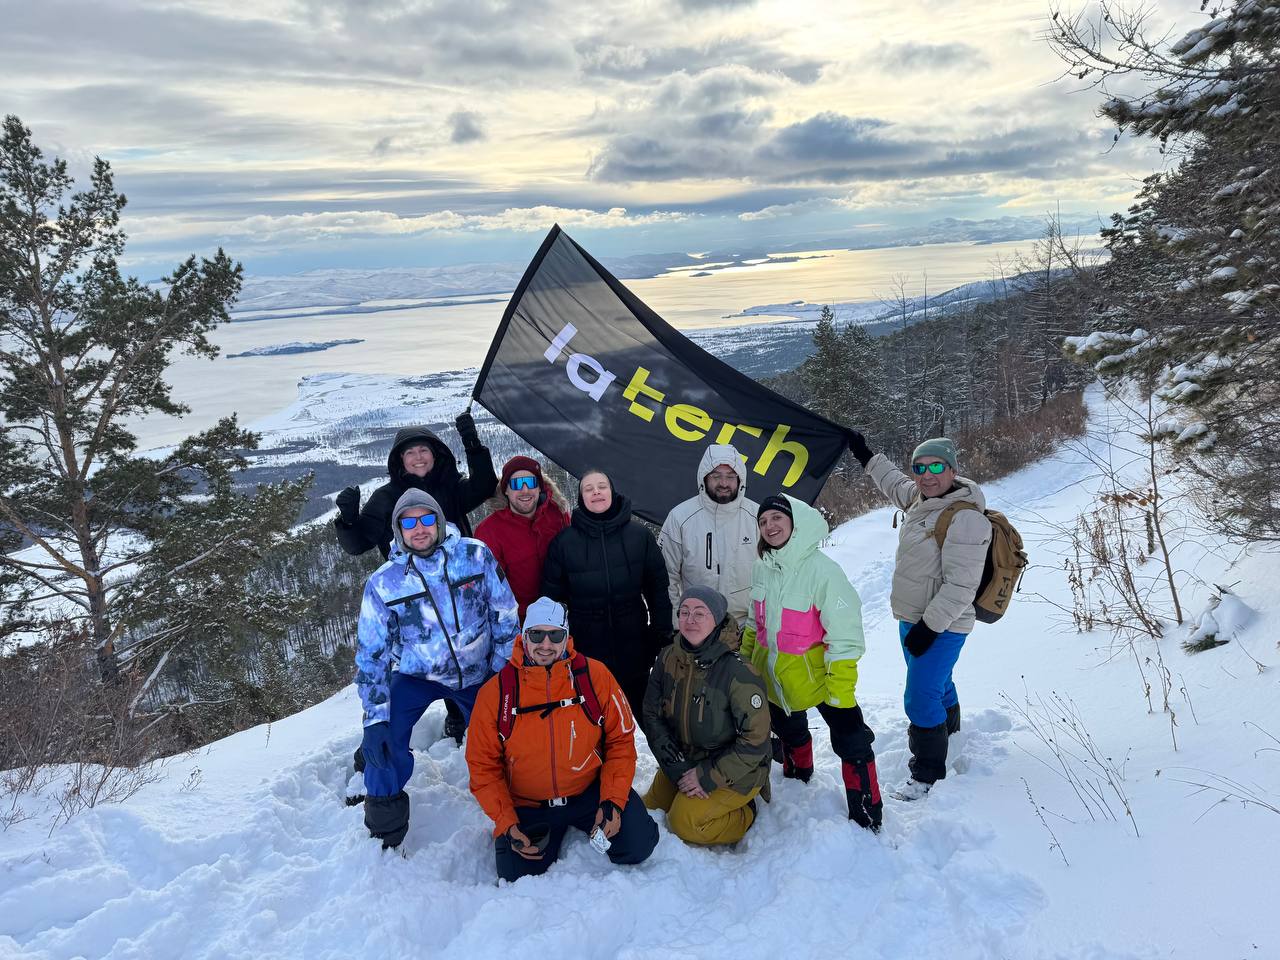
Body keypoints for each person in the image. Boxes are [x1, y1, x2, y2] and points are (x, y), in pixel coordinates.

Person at [354, 489, 519, 849]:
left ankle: (521, 805)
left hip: (479, 672)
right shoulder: (384, 583)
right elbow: (371, 655)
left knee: (510, 735)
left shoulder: (474, 555)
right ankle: (385, 829)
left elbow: (505, 613)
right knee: (383, 739)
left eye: (427, 519)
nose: (420, 529)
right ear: (398, 530)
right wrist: (374, 718)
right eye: (409, 522)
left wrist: (501, 670)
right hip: (417, 675)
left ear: (440, 522)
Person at [466, 596, 659, 882]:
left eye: (555, 635)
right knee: (516, 874)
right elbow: (483, 766)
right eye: (537, 634)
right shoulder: (497, 693)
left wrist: (613, 801)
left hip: (589, 793)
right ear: (524, 636)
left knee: (638, 844)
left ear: (566, 637)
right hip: (529, 804)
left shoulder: (595, 676)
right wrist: (507, 822)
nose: (546, 644)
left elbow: (621, 741)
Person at [847, 432, 992, 801]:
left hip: (943, 624)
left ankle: (927, 773)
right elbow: (892, 481)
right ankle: (952, 733)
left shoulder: (966, 519)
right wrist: (864, 453)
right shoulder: (919, 499)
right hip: (913, 619)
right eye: (920, 467)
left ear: (953, 469)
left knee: (918, 696)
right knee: (937, 684)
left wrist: (929, 628)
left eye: (936, 466)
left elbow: (962, 586)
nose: (927, 475)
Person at [335, 416, 497, 745]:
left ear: (436, 455)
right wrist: (347, 520)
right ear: (400, 461)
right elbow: (357, 544)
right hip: (412, 596)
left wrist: (472, 443)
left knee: (462, 649)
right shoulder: (385, 497)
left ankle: (460, 717)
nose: (419, 457)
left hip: (457, 589)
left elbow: (482, 486)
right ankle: (385, 741)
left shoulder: (449, 486)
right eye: (411, 453)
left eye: (425, 450)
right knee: (422, 659)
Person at [740, 494, 883, 832]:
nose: (770, 526)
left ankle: (866, 809)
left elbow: (845, 636)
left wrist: (840, 688)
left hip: (819, 679)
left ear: (795, 522)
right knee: (789, 730)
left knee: (852, 740)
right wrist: (746, 663)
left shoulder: (823, 571)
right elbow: (752, 623)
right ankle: (798, 774)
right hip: (775, 678)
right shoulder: (762, 567)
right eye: (763, 522)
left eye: (777, 518)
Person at [642, 586, 770, 846]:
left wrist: (707, 777)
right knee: (651, 808)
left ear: (717, 620)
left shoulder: (738, 671)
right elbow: (652, 716)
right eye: (684, 612)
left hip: (734, 770)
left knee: (684, 822)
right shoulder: (668, 657)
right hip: (686, 760)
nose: (690, 620)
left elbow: (756, 741)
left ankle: (746, 813)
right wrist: (678, 767)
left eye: (700, 613)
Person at [540, 469, 672, 717]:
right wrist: (557, 649)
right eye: (588, 489)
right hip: (586, 655)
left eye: (602, 486)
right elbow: (552, 603)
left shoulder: (639, 537)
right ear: (581, 498)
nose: (596, 492)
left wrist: (661, 635)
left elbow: (658, 591)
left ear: (612, 492)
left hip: (636, 651)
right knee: (594, 723)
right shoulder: (564, 543)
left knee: (651, 721)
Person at [658, 444, 759, 643]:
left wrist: (761, 624)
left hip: (747, 631)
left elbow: (771, 576)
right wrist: (678, 625)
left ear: (740, 479)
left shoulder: (757, 517)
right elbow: (666, 577)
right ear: (704, 478)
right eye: (716, 475)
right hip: (696, 631)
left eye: (730, 476)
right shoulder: (680, 517)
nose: (723, 482)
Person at [474, 456, 569, 621]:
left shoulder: (557, 514)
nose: (525, 490)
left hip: (561, 612)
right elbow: (490, 589)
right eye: (517, 484)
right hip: (519, 619)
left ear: (540, 487)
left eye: (531, 483)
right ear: (506, 490)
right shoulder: (489, 531)